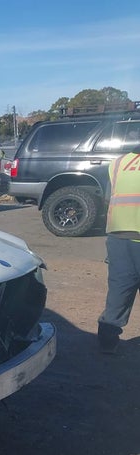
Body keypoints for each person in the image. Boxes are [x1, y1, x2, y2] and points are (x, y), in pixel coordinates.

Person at [97, 146, 140, 353]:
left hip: (119, 237)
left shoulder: (118, 163)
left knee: (119, 291)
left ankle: (107, 341)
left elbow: (108, 197)